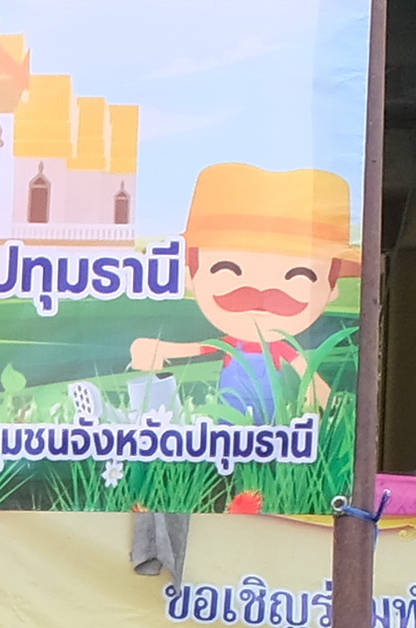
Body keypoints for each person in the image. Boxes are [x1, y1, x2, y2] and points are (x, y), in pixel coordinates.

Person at [129, 159, 363, 429]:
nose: (261, 291)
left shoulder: (282, 348)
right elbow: (196, 348)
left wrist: (327, 407)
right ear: (189, 276)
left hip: (268, 429)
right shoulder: (230, 345)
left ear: (332, 288)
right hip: (227, 424)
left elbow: (308, 376)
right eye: (227, 270)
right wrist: (155, 347)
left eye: (299, 275)